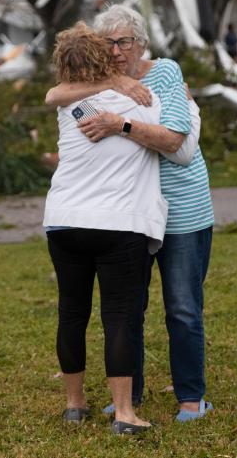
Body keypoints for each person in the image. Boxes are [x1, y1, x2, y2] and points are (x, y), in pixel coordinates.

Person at [46, 4, 215, 423]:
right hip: (129, 216)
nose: (118, 50)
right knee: (128, 308)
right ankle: (129, 399)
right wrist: (115, 84)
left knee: (181, 308)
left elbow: (180, 145)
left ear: (141, 43)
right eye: (110, 43)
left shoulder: (165, 74)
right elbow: (54, 94)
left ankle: (190, 399)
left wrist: (120, 125)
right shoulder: (92, 86)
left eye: (126, 42)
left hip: (179, 210)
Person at [43, 23, 169, 435]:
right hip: (118, 223)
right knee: (118, 317)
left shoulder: (70, 108)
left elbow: (58, 93)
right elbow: (173, 140)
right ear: (104, 58)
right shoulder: (140, 102)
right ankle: (124, 414)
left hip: (63, 221)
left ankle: (75, 405)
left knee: (72, 313)